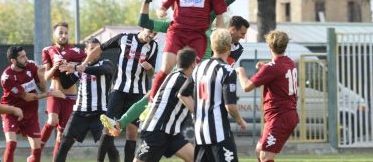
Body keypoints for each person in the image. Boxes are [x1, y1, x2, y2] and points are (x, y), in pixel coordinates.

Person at [101, 15, 251, 136]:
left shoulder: (235, 47)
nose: (243, 37)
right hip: (183, 73)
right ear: (232, 29)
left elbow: (220, 64)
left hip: (200, 80)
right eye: (242, 33)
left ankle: (146, 120)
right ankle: (123, 122)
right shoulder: (209, 33)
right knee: (151, 96)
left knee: (183, 111)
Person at [149, 0, 228, 100]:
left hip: (197, 36)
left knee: (195, 71)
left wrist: (219, 34)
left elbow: (220, 15)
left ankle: (195, 103)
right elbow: (162, 6)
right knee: (166, 67)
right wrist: (160, 11)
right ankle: (153, 100)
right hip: (177, 33)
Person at [81, 28, 158, 162]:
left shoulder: (153, 46)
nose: (151, 36)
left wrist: (150, 68)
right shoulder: (123, 38)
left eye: (154, 34)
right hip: (119, 91)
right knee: (109, 127)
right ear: (142, 27)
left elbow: (152, 74)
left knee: (132, 132)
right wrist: (84, 63)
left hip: (138, 93)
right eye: (150, 31)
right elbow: (100, 48)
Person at [179, 29, 247, 162]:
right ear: (229, 46)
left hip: (200, 133)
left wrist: (198, 112)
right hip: (219, 133)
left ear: (212, 45)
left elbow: (182, 94)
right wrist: (240, 120)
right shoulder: (227, 70)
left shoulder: (199, 67)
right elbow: (230, 106)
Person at [236, 30, 299, 162]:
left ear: (270, 46)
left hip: (279, 117)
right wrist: (265, 67)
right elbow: (279, 73)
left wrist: (241, 72)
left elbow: (246, 86)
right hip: (287, 115)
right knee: (260, 151)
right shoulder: (290, 63)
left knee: (265, 156)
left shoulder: (271, 68)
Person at [54, 37, 117, 162]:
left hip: (102, 112)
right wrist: (60, 67)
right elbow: (67, 84)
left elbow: (102, 71)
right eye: (92, 49)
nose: (95, 52)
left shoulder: (106, 63)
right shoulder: (81, 66)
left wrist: (78, 67)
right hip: (79, 112)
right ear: (86, 51)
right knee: (64, 144)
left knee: (110, 147)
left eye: (97, 49)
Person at [0, 46, 65, 162]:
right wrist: (51, 94)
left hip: (30, 112)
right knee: (11, 144)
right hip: (11, 111)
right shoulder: (7, 77)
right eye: (22, 57)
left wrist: (41, 76)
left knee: (37, 149)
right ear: (13, 61)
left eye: (26, 55)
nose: (26, 59)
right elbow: (28, 97)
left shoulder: (31, 66)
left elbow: (43, 88)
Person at [132, 48, 197, 162]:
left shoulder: (174, 75)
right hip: (156, 130)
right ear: (193, 64)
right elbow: (185, 97)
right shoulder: (182, 81)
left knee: (197, 159)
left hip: (171, 132)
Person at [40, 21, 87, 159]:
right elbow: (46, 77)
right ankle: (36, 153)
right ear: (54, 34)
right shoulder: (48, 50)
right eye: (60, 32)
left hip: (70, 97)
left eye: (66, 33)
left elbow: (87, 63)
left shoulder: (76, 51)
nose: (63, 35)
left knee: (62, 133)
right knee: (52, 120)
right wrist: (54, 67)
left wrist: (73, 65)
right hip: (54, 94)